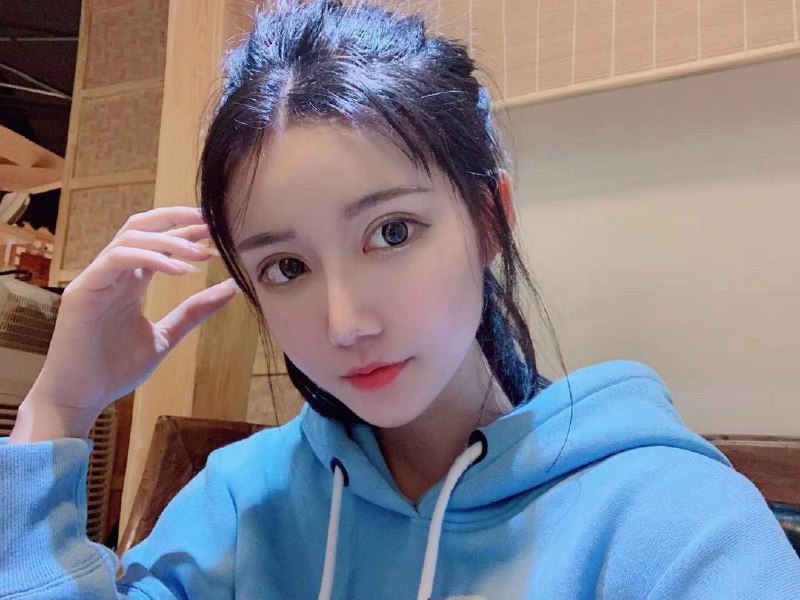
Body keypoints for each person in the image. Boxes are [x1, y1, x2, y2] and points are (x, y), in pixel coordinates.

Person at [2, 1, 799, 598]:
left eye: (391, 232)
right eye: (286, 266)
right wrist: (59, 410)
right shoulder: (240, 507)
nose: (347, 323)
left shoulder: (671, 526)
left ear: (489, 220)